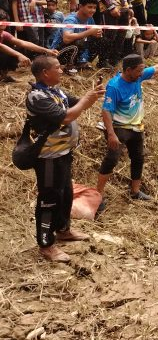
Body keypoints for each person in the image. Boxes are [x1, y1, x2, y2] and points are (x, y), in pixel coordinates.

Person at [25, 55, 104, 262]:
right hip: (48, 157)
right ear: (45, 73)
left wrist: (93, 95)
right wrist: (86, 101)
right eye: (58, 68)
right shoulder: (37, 97)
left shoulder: (56, 91)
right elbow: (66, 116)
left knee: (66, 194)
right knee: (49, 200)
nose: (61, 70)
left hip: (63, 153)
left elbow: (76, 103)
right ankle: (46, 244)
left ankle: (63, 230)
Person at [96, 54, 158, 206]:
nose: (142, 74)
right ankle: (98, 195)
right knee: (112, 159)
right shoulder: (114, 86)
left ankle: (135, 192)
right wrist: (110, 133)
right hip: (119, 128)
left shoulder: (137, 76)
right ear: (128, 70)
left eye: (143, 70)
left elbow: (156, 68)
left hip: (136, 127)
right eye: (139, 71)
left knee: (138, 158)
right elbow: (106, 111)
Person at [0, 14, 58, 82]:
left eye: (3, 28)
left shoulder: (4, 33)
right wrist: (19, 55)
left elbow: (23, 43)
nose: (2, 31)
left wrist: (46, 50)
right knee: (6, 54)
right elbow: (1, 46)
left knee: (14, 52)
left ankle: (3, 74)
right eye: (0, 28)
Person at [50, 0, 102, 70]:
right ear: (80, 6)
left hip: (74, 48)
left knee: (100, 40)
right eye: (90, 7)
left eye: (94, 8)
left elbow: (91, 36)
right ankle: (67, 66)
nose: (93, 10)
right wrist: (89, 32)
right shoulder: (71, 19)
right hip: (57, 52)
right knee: (80, 41)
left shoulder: (90, 18)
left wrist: (97, 34)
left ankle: (82, 62)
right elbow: (66, 38)